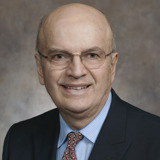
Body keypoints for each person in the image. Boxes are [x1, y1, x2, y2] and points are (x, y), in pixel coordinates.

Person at [3, 3, 160, 160]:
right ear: (40, 68)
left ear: (112, 66)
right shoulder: (19, 139)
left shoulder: (155, 140)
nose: (76, 72)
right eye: (59, 56)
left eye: (92, 55)